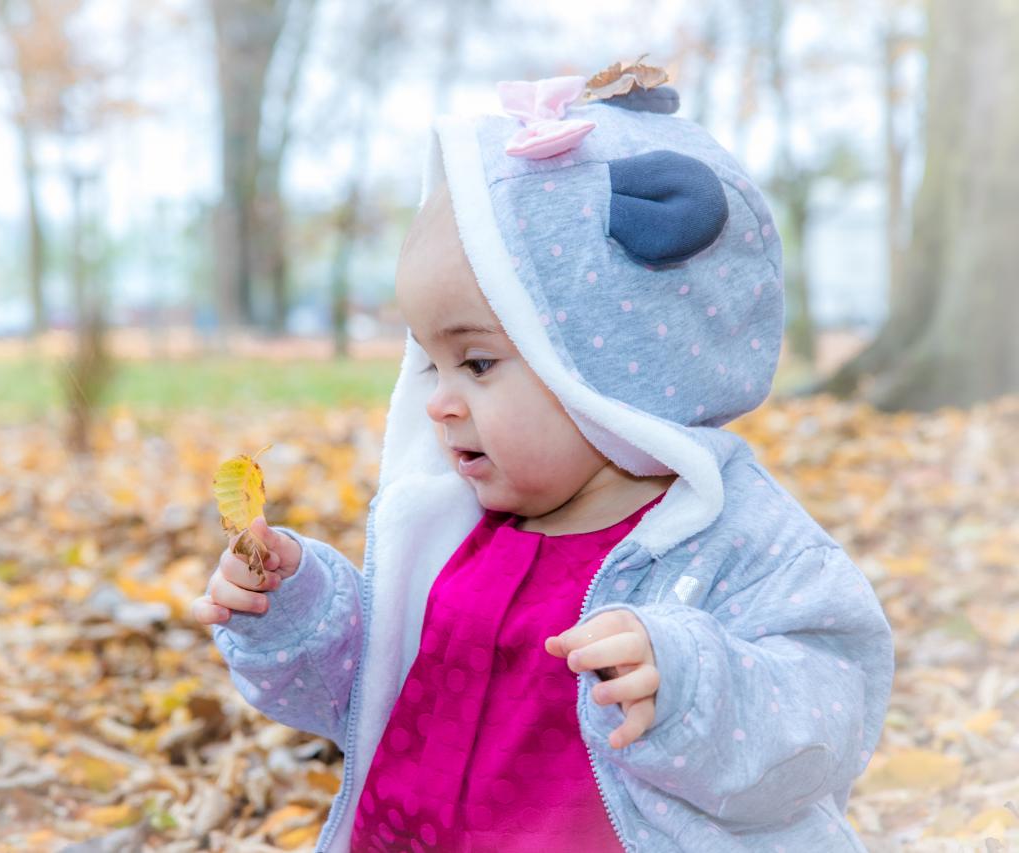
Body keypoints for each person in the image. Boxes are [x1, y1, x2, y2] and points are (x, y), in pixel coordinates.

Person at [192, 71, 894, 853]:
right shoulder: (455, 530)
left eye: (479, 364)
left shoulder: (733, 539)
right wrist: (297, 609)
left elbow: (828, 712)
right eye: (430, 365)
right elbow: (369, 694)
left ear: (611, 372)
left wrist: (694, 682)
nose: (440, 402)